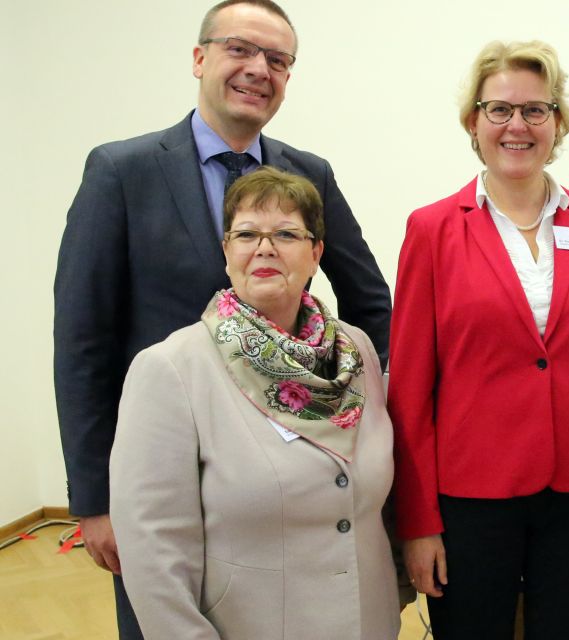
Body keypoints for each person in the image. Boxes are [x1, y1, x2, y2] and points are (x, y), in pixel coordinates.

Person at [52, 2, 391, 636]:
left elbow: (370, 301)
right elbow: (82, 341)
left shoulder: (309, 174)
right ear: (200, 57)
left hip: (285, 478)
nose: (259, 69)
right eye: (241, 49)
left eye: (278, 60)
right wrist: (96, 498)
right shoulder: (121, 172)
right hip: (164, 475)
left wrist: (372, 421)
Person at [388, 40, 569, 640]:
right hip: (470, 499)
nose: (518, 125)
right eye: (500, 110)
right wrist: (418, 522)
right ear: (473, 122)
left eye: (536, 110)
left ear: (557, 123)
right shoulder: (431, 229)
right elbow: (409, 390)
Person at [109, 167, 411, 639]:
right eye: (247, 233)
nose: (265, 247)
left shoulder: (357, 351)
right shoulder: (171, 368)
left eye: (287, 234)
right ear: (227, 251)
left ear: (316, 255)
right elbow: (152, 549)